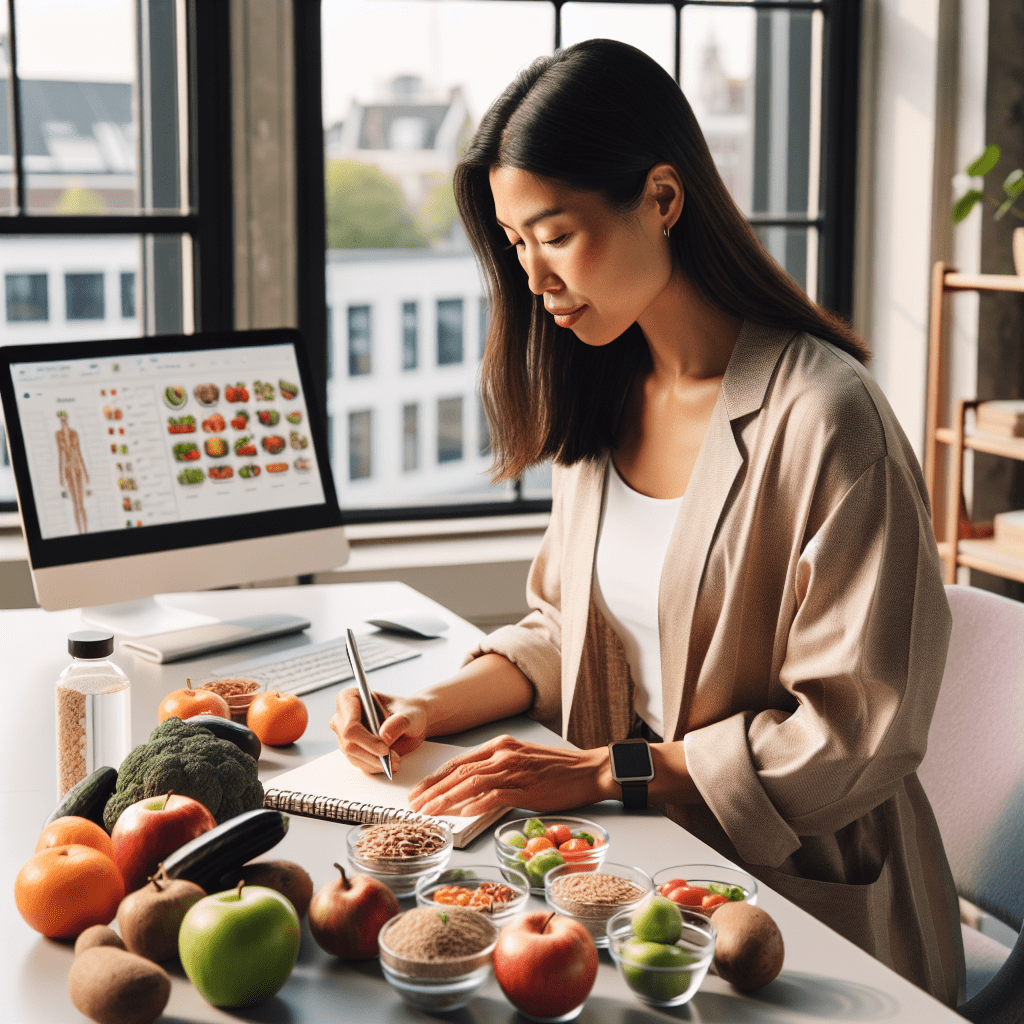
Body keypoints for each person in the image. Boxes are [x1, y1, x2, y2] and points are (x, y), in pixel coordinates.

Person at [330, 39, 965, 1005]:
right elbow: (564, 628)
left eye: (555, 233)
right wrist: (427, 707)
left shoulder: (830, 417)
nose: (534, 277)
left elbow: (854, 735)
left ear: (663, 199)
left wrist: (605, 772)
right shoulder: (604, 389)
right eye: (515, 243)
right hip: (640, 863)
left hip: (800, 895)